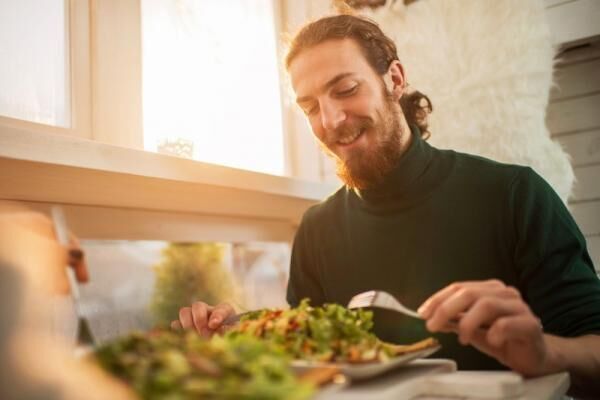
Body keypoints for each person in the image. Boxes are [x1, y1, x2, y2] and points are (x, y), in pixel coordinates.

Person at [173, 14, 600, 396]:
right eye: (310, 108)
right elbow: (309, 359)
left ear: (395, 79)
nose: (331, 121)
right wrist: (243, 336)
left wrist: (547, 353)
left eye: (345, 90)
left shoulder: (515, 195)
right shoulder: (317, 228)